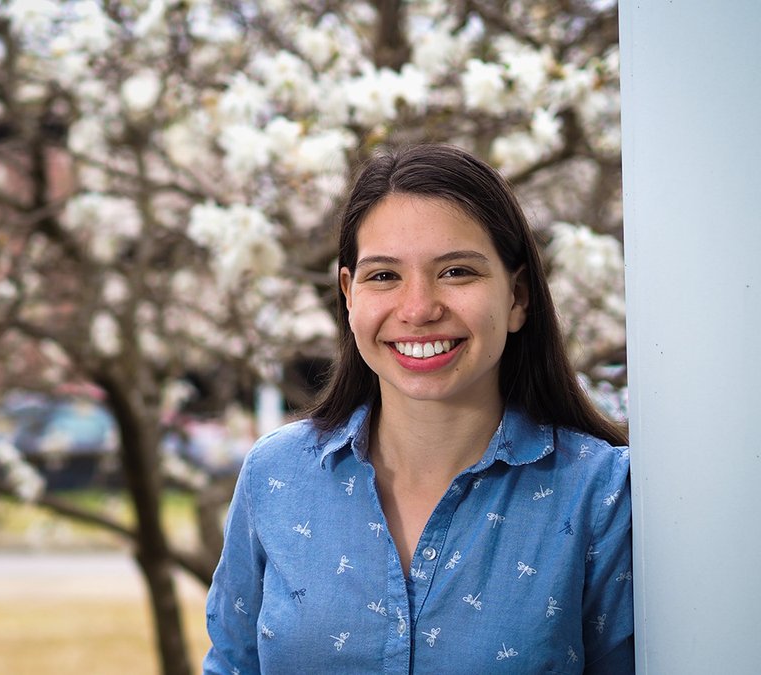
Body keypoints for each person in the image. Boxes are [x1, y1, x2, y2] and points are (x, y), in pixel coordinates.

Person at [203, 144, 633, 674]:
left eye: (456, 272)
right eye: (384, 276)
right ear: (349, 295)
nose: (419, 309)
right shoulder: (276, 475)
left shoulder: (602, 493)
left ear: (517, 296)